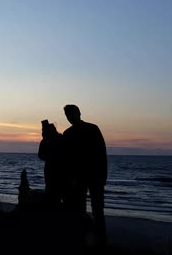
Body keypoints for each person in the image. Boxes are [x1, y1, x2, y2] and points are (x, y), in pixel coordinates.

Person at [62, 104, 107, 245]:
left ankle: (100, 241)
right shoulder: (67, 133)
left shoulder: (93, 128)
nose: (70, 117)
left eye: (72, 114)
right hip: (78, 178)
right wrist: (69, 179)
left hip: (95, 176)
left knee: (97, 210)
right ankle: (81, 239)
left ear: (79, 113)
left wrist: (103, 176)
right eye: (67, 115)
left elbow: (101, 153)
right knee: (80, 209)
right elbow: (67, 159)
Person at [37, 120, 66, 208]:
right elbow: (40, 155)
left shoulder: (60, 138)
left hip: (61, 170)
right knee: (51, 192)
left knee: (62, 193)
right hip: (50, 170)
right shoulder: (45, 141)